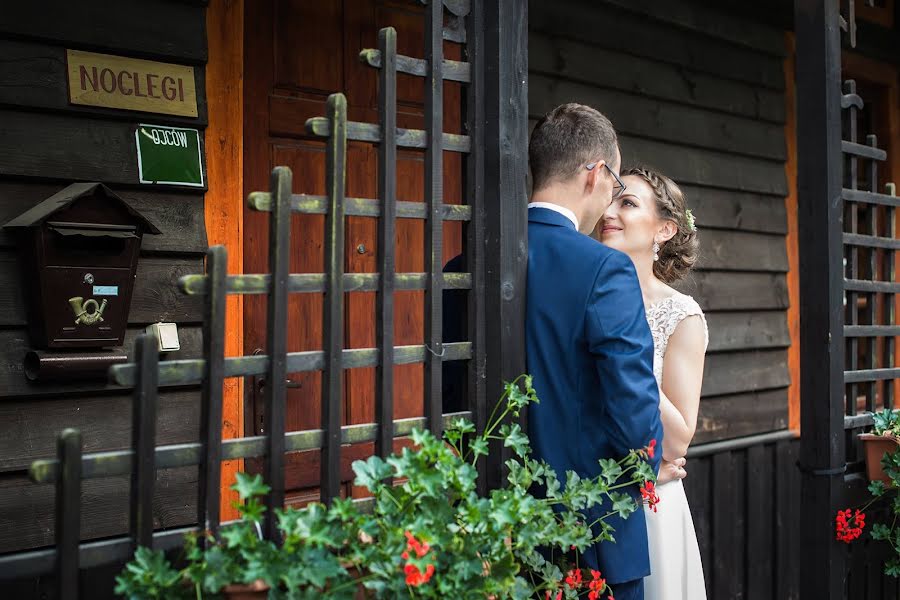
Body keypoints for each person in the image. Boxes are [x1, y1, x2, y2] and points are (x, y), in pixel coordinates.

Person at [526, 103, 681, 600]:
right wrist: (647, 467)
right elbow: (634, 406)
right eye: (615, 185)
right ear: (595, 174)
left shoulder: (467, 259)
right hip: (588, 534)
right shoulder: (603, 269)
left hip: (497, 526)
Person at [599, 166, 708, 600]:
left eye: (626, 202)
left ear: (664, 228)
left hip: (649, 505)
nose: (609, 211)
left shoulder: (681, 315)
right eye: (610, 198)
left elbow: (679, 439)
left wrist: (627, 346)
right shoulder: (588, 292)